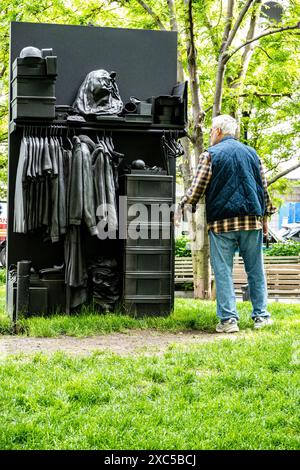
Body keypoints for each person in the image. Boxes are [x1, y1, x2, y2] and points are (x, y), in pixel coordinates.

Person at [175, 114, 276, 333]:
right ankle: (261, 317)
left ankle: (229, 321)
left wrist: (183, 203)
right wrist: (266, 216)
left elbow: (197, 189)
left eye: (211, 130)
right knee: (256, 270)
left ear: (218, 132)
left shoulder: (210, 155)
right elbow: (263, 189)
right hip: (251, 221)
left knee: (223, 271)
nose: (210, 134)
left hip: (222, 224)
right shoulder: (252, 154)